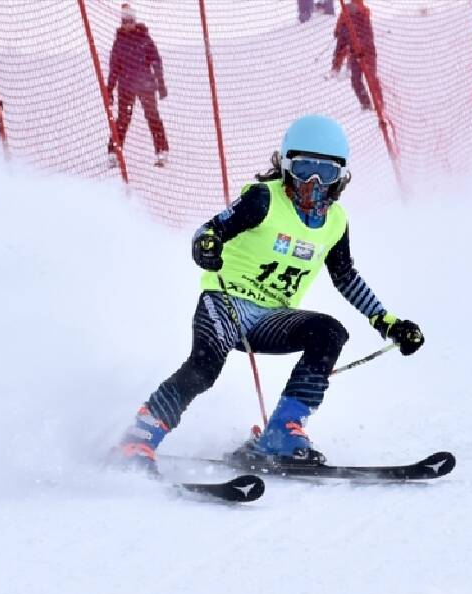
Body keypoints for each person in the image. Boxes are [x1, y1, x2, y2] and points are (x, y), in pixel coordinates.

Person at [116, 115, 424, 471]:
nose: (312, 182)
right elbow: (208, 231)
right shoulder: (263, 199)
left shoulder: (336, 221)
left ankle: (281, 433)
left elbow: (346, 277)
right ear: (285, 165)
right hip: (226, 303)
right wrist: (207, 244)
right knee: (205, 367)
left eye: (324, 173)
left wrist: (388, 323)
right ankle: (139, 438)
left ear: (340, 176)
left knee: (329, 332)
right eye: (303, 168)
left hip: (270, 319)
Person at [105, 3, 170, 167]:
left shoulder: (145, 39)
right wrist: (109, 90)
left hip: (145, 84)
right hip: (126, 86)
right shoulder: (119, 43)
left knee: (152, 116)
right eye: (125, 21)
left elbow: (156, 60)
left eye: (130, 21)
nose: (128, 24)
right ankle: (114, 152)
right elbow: (114, 69)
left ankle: (161, 151)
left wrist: (160, 83)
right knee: (123, 119)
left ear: (135, 21)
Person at [330, 0, 378, 112]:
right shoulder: (350, 14)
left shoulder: (361, 15)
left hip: (365, 52)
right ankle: (368, 104)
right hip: (357, 53)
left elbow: (342, 46)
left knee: (370, 79)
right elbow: (342, 39)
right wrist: (338, 30)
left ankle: (377, 103)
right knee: (358, 80)